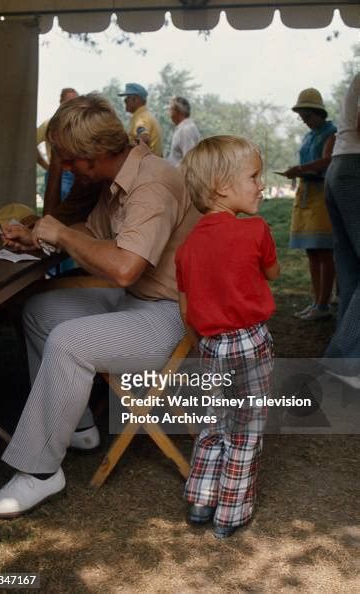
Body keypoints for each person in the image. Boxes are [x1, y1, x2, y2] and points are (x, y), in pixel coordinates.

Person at [0, 93, 199, 518]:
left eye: (69, 161)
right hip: (138, 300)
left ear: (93, 156)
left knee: (69, 340)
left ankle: (39, 473)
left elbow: (127, 268)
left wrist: (61, 235)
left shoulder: (151, 184)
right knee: (40, 312)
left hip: (170, 315)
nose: (68, 169)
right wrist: (40, 234)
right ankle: (78, 427)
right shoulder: (119, 180)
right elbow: (89, 231)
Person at [175, 136, 279, 538]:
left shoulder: (185, 250)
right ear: (222, 186)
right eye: (254, 176)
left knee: (214, 423)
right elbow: (272, 274)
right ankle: (231, 513)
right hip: (250, 341)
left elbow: (186, 311)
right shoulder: (255, 230)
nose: (261, 184)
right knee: (246, 428)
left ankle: (201, 499)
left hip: (211, 345)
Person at [283, 88, 336, 321]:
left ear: (318, 113)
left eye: (308, 117)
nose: (305, 121)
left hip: (322, 195)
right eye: (302, 118)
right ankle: (316, 301)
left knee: (324, 251)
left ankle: (324, 304)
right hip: (305, 195)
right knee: (311, 251)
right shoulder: (307, 136)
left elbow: (327, 160)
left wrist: (301, 169)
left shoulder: (331, 133)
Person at [323, 73, 360, 387]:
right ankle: (344, 359)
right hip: (356, 168)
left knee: (350, 272)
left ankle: (346, 361)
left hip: (342, 167)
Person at [37, 87, 79, 204]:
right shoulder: (50, 124)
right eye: (68, 102)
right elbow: (31, 143)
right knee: (58, 210)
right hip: (60, 173)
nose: (72, 105)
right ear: (61, 104)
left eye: (75, 102)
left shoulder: (81, 124)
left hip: (80, 173)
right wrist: (46, 165)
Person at [118, 83, 163, 156]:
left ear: (135, 99)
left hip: (147, 165)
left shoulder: (141, 118)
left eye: (126, 99)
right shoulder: (146, 115)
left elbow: (144, 138)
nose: (124, 102)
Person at [167, 96, 200, 166]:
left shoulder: (185, 130)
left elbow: (190, 161)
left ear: (178, 111)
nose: (169, 114)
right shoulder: (185, 127)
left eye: (170, 110)